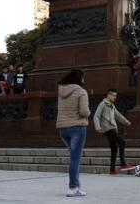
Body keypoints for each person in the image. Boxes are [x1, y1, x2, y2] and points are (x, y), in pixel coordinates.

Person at [56, 69, 90, 197]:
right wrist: (89, 113)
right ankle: (73, 188)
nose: (83, 80)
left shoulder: (61, 91)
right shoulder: (81, 92)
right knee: (75, 159)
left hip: (63, 129)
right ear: (79, 78)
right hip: (77, 128)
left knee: (73, 158)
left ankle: (76, 186)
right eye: (82, 77)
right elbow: (84, 112)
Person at [93, 89, 133, 176]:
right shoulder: (102, 104)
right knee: (122, 142)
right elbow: (96, 116)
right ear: (109, 95)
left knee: (114, 148)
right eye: (114, 95)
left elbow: (118, 115)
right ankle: (123, 164)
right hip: (107, 128)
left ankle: (112, 170)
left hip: (113, 128)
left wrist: (126, 122)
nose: (115, 97)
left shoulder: (112, 106)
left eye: (116, 96)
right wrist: (98, 127)